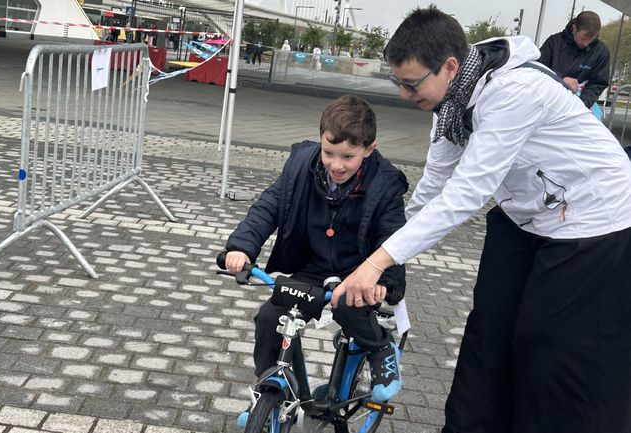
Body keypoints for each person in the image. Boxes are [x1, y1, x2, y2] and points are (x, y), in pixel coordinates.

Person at [335, 5, 631, 433]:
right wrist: (385, 253)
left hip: (593, 224)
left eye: (410, 83)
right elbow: (433, 187)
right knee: (487, 335)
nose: (402, 93)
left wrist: (378, 262)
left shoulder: (515, 91)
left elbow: (466, 194)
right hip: (525, 217)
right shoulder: (452, 104)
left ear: (449, 66)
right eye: (397, 81)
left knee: (546, 346)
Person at [224, 95, 409, 415]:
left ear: (369, 148)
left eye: (348, 156)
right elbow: (269, 206)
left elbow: (392, 236)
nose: (336, 164)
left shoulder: (385, 183)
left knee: (348, 308)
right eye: (329, 153)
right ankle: (267, 393)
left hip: (359, 270)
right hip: (312, 266)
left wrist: (385, 280)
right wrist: (242, 246)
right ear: (321, 141)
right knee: (270, 318)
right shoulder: (300, 167)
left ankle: (380, 348)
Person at [538, 11, 610, 108]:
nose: (586, 43)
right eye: (583, 38)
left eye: (591, 39)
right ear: (574, 28)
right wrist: (561, 80)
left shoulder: (601, 52)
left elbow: (597, 84)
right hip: (546, 101)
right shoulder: (554, 42)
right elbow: (537, 70)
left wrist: (581, 105)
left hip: (579, 106)